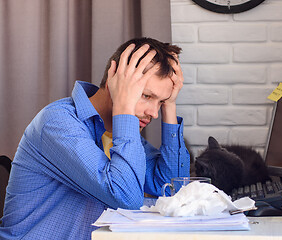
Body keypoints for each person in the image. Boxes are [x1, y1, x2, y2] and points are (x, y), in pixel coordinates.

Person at [0, 37, 190, 239]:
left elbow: (173, 190)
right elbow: (126, 198)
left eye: (160, 102)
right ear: (114, 82)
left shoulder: (120, 132)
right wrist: (125, 108)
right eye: (146, 96)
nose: (153, 112)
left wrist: (170, 106)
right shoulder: (58, 123)